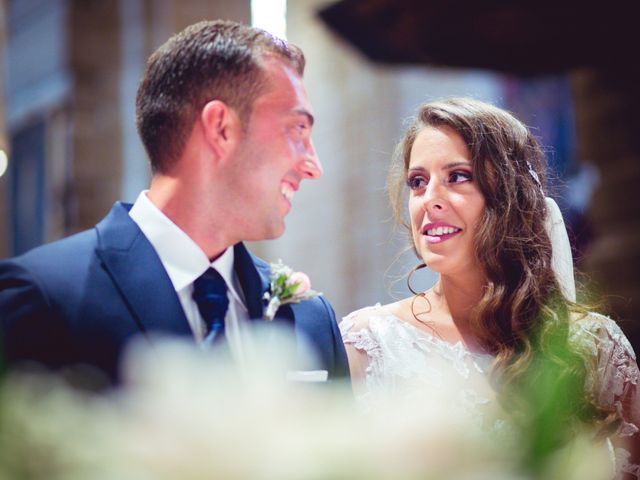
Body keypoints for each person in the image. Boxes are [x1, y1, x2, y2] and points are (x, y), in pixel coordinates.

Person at [0, 20, 349, 384]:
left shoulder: (311, 320)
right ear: (221, 128)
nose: (314, 166)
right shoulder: (43, 299)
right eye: (297, 130)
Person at [340, 98, 640, 477]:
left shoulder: (596, 347)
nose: (429, 199)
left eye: (457, 176)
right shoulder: (367, 344)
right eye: (418, 182)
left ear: (508, 197)